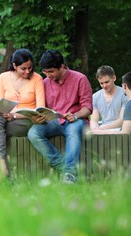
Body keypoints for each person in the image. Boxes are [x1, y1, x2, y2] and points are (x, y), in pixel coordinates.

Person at [27, 50, 93, 184]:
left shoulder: (80, 79)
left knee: (73, 131)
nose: (47, 75)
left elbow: (88, 108)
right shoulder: (44, 83)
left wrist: (75, 115)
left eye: (51, 71)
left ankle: (70, 174)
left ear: (62, 67)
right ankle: (64, 168)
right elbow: (41, 107)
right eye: (45, 72)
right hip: (54, 121)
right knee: (33, 133)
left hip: (75, 121)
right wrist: (36, 117)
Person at [0, 48, 46, 184]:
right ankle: (2, 168)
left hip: (27, 120)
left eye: (30, 68)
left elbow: (40, 109)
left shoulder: (37, 79)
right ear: (14, 65)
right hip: (5, 119)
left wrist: (15, 116)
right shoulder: (3, 77)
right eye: (23, 68)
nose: (27, 71)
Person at [90, 65, 127, 131]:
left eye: (107, 82)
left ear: (114, 78)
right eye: (101, 83)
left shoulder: (124, 94)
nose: (104, 86)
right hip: (103, 130)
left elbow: (122, 120)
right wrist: (95, 129)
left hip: (121, 131)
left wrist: (102, 128)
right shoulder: (95, 97)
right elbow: (93, 120)